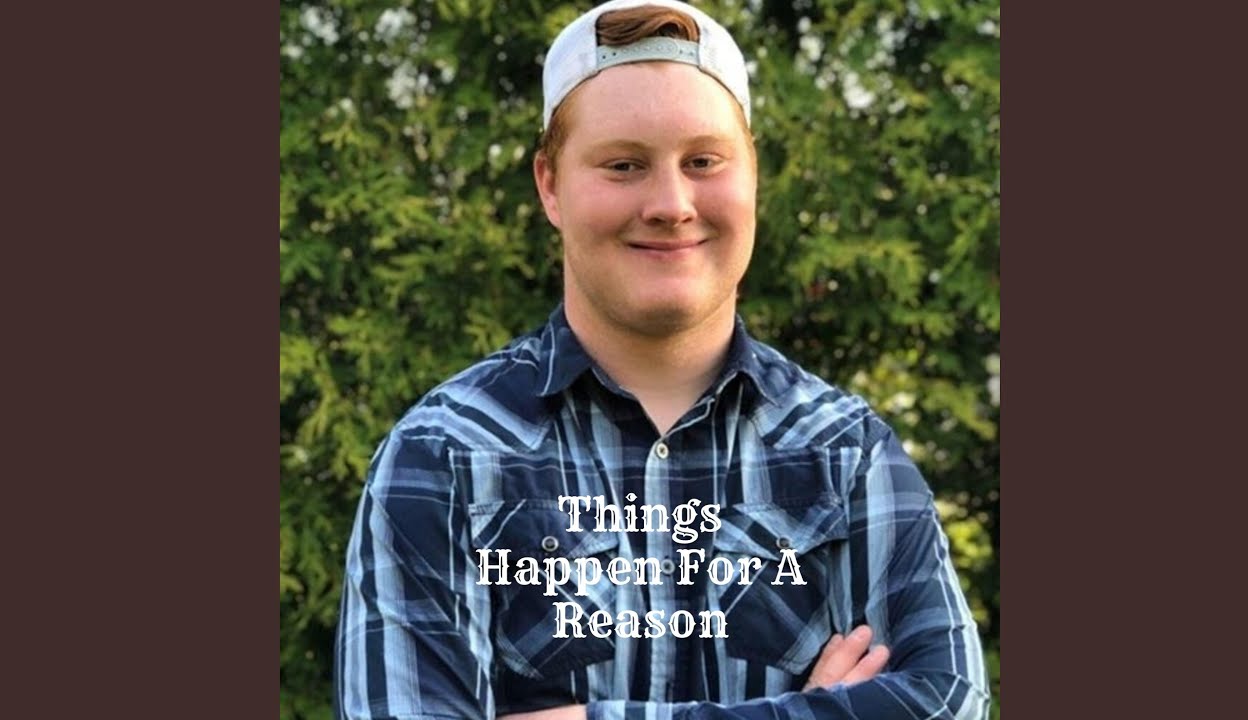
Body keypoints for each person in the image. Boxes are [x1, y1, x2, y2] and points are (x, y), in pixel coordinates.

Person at [334, 1, 990, 719]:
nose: (671, 204)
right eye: (624, 165)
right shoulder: (443, 457)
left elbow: (948, 702)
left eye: (703, 161)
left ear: (752, 175)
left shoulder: (845, 454)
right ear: (550, 185)